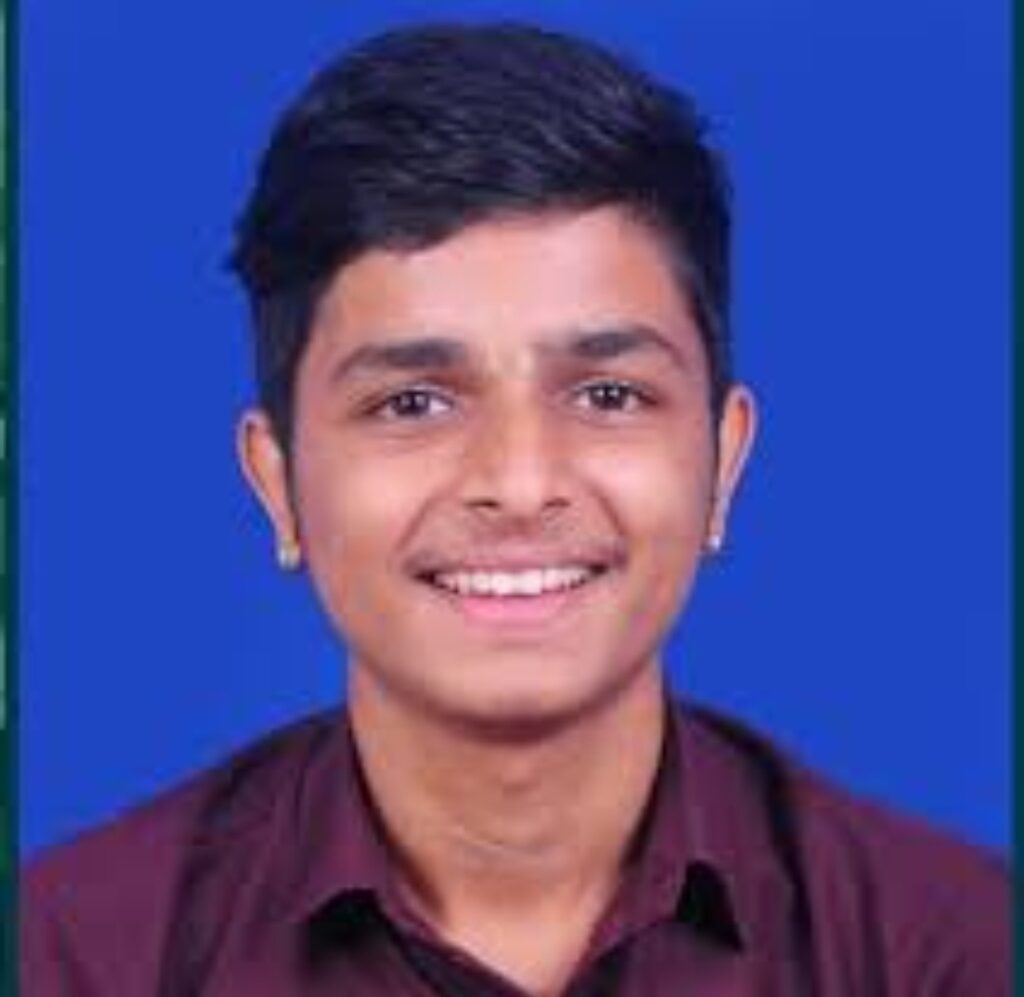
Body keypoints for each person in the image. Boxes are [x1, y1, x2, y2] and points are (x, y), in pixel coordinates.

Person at [21, 22, 1008, 996]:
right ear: (276, 480)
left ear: (723, 460)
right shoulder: (75, 957)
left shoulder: (950, 949)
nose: (522, 482)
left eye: (608, 394)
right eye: (413, 403)